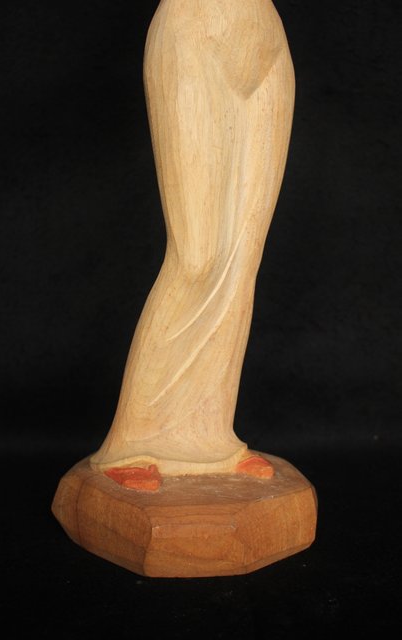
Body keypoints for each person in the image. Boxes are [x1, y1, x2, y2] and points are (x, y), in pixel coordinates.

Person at [90, 0, 295, 489]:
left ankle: (210, 439)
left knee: (243, 255)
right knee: (197, 256)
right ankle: (131, 441)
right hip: (192, 36)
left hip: (266, 42)